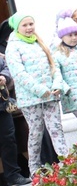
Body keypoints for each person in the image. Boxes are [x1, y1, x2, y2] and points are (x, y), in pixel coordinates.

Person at [5, 13, 69, 173]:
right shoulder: (13, 46)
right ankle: (34, 168)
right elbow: (18, 73)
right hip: (31, 99)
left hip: (51, 95)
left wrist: (56, 84)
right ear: (17, 27)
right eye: (25, 25)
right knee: (36, 131)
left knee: (56, 128)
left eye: (31, 24)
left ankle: (66, 163)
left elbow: (53, 65)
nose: (29, 28)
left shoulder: (39, 42)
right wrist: (40, 90)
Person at [0, 55, 31, 186]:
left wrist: (3, 76)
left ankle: (13, 175)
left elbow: (5, 68)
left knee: (9, 140)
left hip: (2, 105)